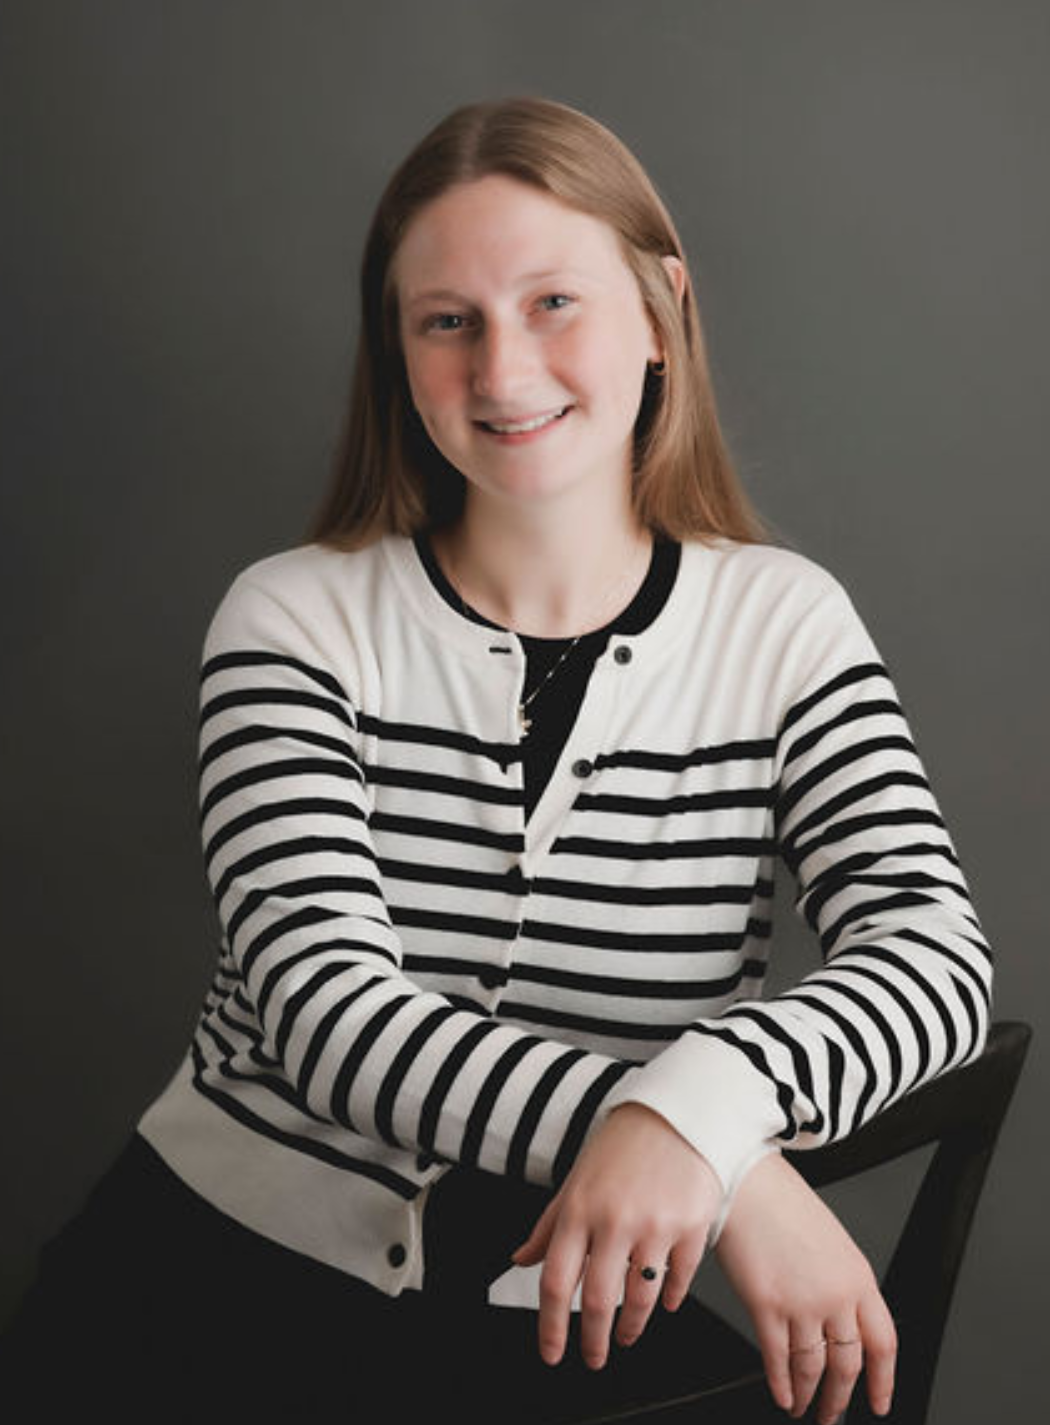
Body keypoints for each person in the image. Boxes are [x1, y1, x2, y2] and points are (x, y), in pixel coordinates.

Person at [2, 97, 992, 1424]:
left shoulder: (782, 623)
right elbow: (326, 1016)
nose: (503, 373)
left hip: (569, 1309)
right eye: (447, 320)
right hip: (197, 1295)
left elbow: (931, 955)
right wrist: (722, 1163)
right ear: (395, 352)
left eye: (553, 303)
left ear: (660, 311)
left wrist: (702, 1105)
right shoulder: (291, 617)